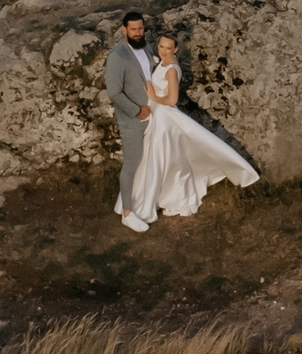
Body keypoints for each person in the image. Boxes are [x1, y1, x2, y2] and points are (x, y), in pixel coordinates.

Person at [126, 33, 259, 226]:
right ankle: (159, 197)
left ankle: (173, 200)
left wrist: (154, 97)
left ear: (176, 50)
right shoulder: (162, 64)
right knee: (161, 160)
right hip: (157, 117)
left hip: (165, 119)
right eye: (161, 47)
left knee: (164, 161)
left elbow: (171, 100)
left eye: (168, 48)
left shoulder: (172, 70)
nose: (163, 51)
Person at [104, 13, 158, 232]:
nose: (138, 33)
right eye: (133, 29)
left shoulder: (146, 48)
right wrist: (137, 111)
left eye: (141, 29)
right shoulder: (117, 56)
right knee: (131, 163)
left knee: (151, 161)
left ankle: (137, 202)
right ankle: (127, 214)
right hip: (133, 119)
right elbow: (114, 92)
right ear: (124, 30)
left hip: (155, 114)